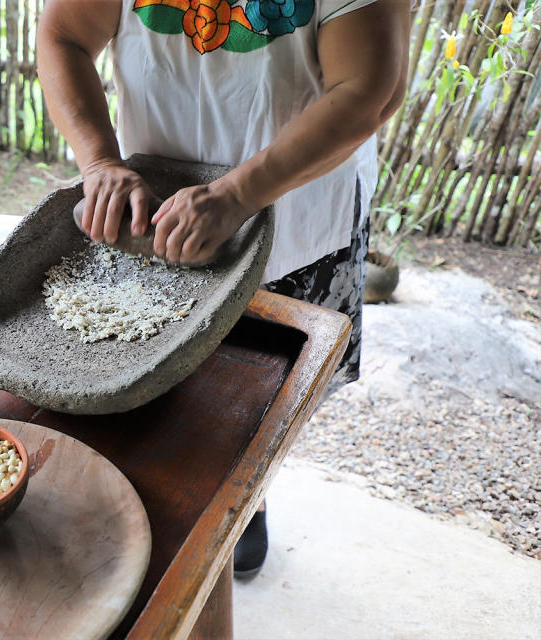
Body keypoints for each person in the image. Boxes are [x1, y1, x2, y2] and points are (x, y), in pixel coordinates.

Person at [37, 0, 411, 576]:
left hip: (296, 208)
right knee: (160, 383)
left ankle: (248, 495)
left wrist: (238, 195)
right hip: (156, 205)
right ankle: (177, 499)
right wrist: (99, 162)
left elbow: (367, 88)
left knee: (257, 400)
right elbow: (63, 36)